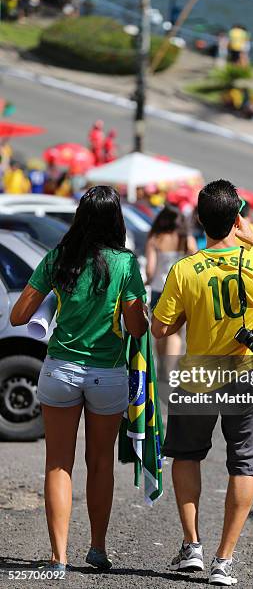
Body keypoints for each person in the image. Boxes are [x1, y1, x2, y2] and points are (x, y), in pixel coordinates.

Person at [151, 179, 253, 586]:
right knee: (245, 464)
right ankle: (224, 560)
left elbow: (160, 329)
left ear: (199, 219)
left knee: (186, 455)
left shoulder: (185, 269)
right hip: (250, 375)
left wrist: (186, 317)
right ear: (237, 219)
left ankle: (192, 547)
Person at [10, 186, 148, 572]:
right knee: (100, 463)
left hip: (60, 369)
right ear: (116, 219)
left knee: (58, 464)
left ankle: (58, 557)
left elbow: (18, 317)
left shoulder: (58, 258)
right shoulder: (124, 264)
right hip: (107, 373)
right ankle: (98, 548)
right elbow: (137, 328)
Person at [146, 205, 196, 376]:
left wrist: (147, 280)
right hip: (181, 290)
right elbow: (195, 261)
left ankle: (161, 367)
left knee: (160, 330)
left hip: (159, 289)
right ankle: (170, 369)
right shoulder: (186, 238)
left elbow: (150, 270)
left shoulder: (155, 238)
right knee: (176, 332)